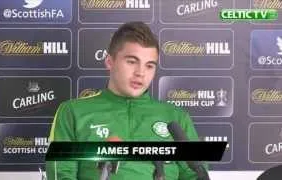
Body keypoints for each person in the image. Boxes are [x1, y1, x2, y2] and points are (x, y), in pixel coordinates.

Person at [46, 21, 204, 180]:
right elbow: (61, 175)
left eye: (149, 66)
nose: (140, 73)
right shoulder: (72, 112)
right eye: (132, 61)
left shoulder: (177, 118)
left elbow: (195, 175)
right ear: (109, 62)